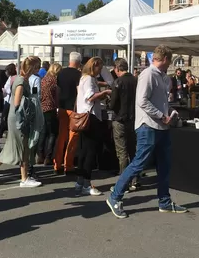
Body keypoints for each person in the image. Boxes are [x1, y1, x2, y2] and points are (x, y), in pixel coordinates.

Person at [107, 45, 187, 219]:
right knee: (139, 163)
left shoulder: (163, 77)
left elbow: (158, 101)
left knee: (164, 166)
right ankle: (115, 197)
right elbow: (142, 100)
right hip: (148, 125)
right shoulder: (148, 75)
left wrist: (169, 113)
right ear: (165, 58)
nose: (171, 64)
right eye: (170, 61)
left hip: (161, 126)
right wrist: (162, 115)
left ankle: (164, 201)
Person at [0, 56, 42, 188]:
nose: (38, 70)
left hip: (16, 117)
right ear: (31, 67)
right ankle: (24, 178)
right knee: (23, 147)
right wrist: (31, 101)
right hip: (18, 118)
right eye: (37, 67)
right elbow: (17, 103)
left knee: (13, 146)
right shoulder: (21, 80)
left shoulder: (21, 79)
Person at [73, 57, 110, 196]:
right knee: (90, 151)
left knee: (83, 150)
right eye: (99, 68)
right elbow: (89, 97)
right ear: (93, 66)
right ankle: (87, 183)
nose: (100, 71)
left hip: (84, 115)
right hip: (91, 117)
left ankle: (80, 181)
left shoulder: (84, 78)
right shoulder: (88, 79)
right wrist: (104, 93)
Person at [110, 58, 138, 192]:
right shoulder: (135, 80)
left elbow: (113, 103)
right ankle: (135, 180)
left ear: (117, 68)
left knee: (122, 152)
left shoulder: (118, 82)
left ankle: (124, 183)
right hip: (133, 119)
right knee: (133, 150)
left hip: (120, 119)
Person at [54, 52, 83, 174]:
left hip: (62, 108)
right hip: (73, 109)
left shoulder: (60, 73)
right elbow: (79, 92)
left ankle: (57, 164)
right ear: (78, 62)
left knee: (61, 137)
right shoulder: (79, 74)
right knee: (73, 138)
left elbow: (57, 91)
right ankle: (68, 165)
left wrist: (57, 105)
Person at [37, 63, 61, 165]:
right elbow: (57, 96)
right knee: (53, 133)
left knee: (43, 132)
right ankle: (49, 156)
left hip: (42, 108)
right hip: (51, 108)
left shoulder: (43, 80)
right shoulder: (55, 81)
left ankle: (40, 155)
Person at [0, 64, 17, 140]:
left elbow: (9, 90)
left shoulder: (13, 78)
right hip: (7, 100)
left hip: (9, 101)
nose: (5, 72)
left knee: (4, 117)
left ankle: (0, 133)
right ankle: (2, 132)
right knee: (5, 117)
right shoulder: (10, 78)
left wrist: (4, 91)